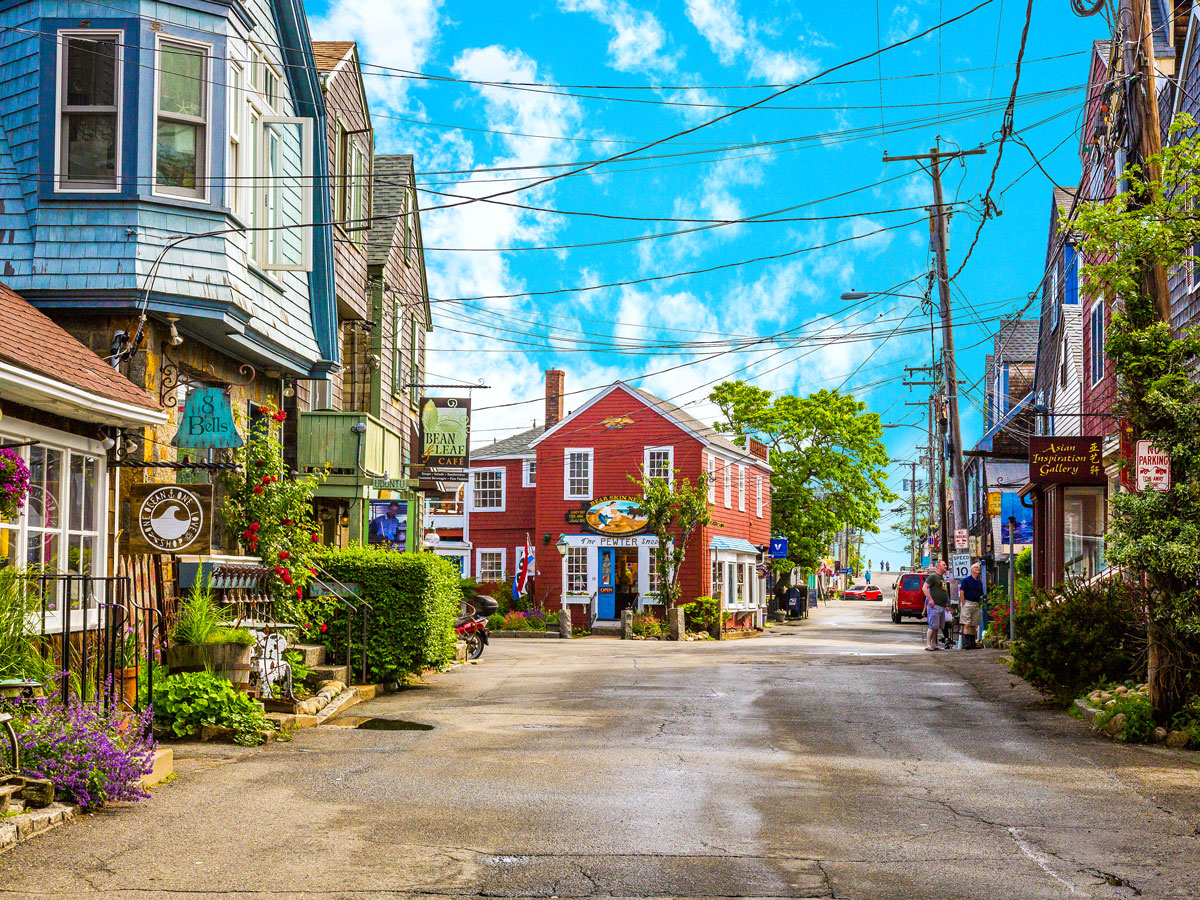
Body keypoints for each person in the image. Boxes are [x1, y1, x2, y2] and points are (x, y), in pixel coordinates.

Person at [922, 559, 950, 651]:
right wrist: (930, 599)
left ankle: (934, 644)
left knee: (937, 626)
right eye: (944, 564)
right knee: (932, 625)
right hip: (935, 605)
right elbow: (924, 588)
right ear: (938, 567)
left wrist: (946, 604)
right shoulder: (933, 577)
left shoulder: (942, 578)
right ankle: (928, 644)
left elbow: (943, 591)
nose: (945, 566)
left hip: (941, 605)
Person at [959, 562, 985, 649]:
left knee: (974, 624)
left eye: (979, 567)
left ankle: (972, 643)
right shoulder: (966, 580)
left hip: (976, 603)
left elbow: (980, 593)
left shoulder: (979, 582)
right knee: (967, 623)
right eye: (976, 567)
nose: (978, 569)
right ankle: (967, 643)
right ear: (972, 570)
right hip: (968, 603)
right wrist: (963, 604)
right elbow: (962, 592)